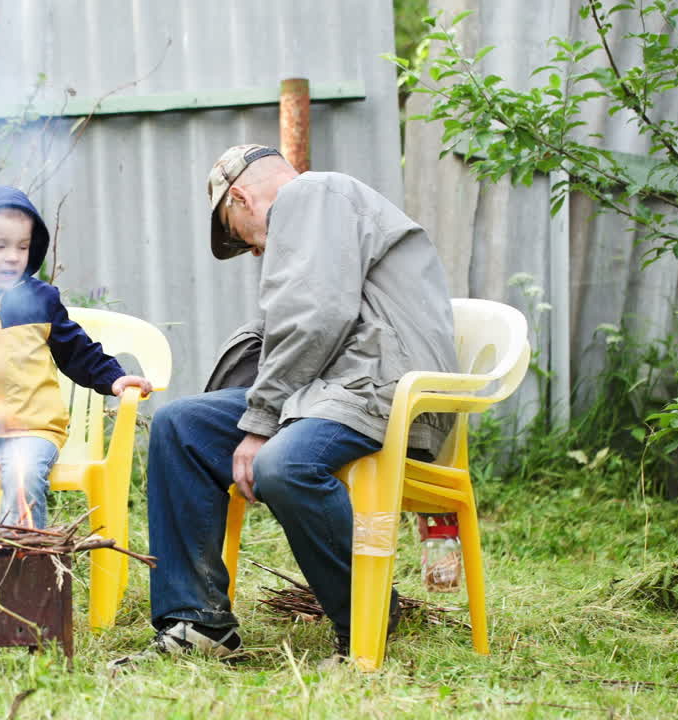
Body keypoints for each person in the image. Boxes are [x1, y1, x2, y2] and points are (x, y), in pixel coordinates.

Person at [116, 145, 457, 666]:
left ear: (239, 196)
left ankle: (366, 622)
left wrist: (258, 424)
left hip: (384, 390)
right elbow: (311, 323)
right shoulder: (322, 211)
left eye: (235, 232)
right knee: (181, 425)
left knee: (284, 464)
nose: (251, 251)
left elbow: (316, 316)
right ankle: (199, 622)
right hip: (331, 390)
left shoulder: (313, 193)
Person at [0, 186, 151, 533]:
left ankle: (19, 567)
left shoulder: (43, 300)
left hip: (32, 427)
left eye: (22, 246)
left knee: (23, 479)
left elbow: (77, 351)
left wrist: (114, 378)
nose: (12, 257)